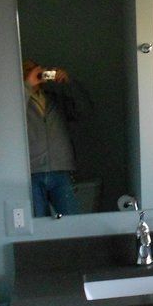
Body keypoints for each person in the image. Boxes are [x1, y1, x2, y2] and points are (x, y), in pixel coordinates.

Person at [22, 59, 90, 217]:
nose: (34, 73)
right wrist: (26, 86)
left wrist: (68, 84)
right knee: (39, 224)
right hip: (31, 172)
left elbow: (84, 110)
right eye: (27, 70)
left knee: (72, 219)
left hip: (61, 169)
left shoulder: (56, 98)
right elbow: (10, 118)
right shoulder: (16, 99)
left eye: (36, 69)